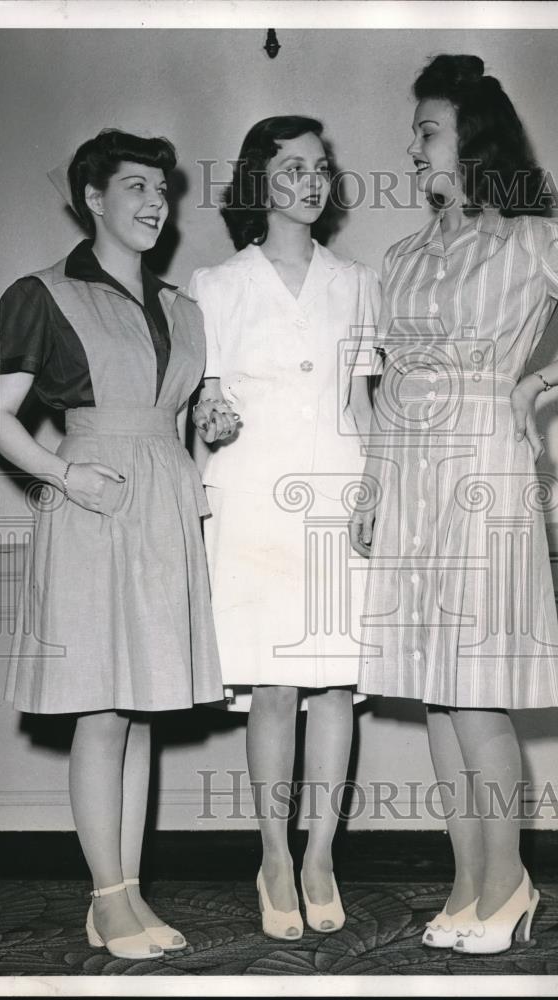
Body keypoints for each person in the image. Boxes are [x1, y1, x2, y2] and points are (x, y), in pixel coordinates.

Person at [350, 55, 558, 955]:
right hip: (408, 471)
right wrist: (371, 483)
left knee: (477, 695)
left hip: (483, 463)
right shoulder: (401, 257)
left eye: (427, 132)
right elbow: (387, 380)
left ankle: (509, 879)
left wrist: (534, 387)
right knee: (439, 700)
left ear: (472, 141)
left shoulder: (532, 237)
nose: (412, 149)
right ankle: (468, 881)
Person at [0, 129, 231, 961]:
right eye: (135, 188)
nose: (155, 204)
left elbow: (184, 416)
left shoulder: (185, 308)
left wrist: (207, 437)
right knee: (100, 707)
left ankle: (125, 895)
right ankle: (107, 898)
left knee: (142, 706)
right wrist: (64, 475)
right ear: (93, 198)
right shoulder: (43, 294)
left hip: (162, 505)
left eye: (162, 190)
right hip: (92, 501)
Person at [189, 116, 379, 940]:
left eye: (321, 166)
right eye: (292, 165)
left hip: (338, 496)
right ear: (258, 181)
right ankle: (272, 854)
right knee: (273, 685)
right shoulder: (215, 285)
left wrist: (377, 485)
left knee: (335, 684)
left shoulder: (358, 282)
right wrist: (211, 411)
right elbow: (203, 401)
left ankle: (320, 855)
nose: (311, 178)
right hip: (255, 500)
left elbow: (362, 402)